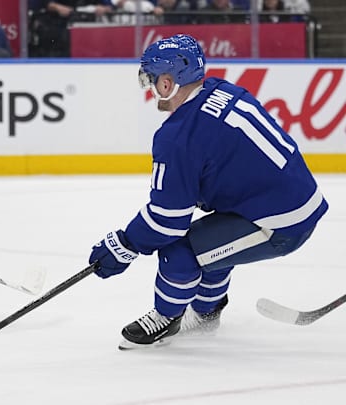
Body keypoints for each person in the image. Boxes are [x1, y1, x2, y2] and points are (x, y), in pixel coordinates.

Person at [87, 34, 328, 350]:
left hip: (282, 222)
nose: (150, 89)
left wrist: (123, 244)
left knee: (181, 251)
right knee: (210, 241)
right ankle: (205, 313)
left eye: (153, 79)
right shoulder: (223, 91)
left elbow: (166, 222)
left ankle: (166, 317)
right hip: (294, 198)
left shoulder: (177, 138)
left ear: (169, 82)